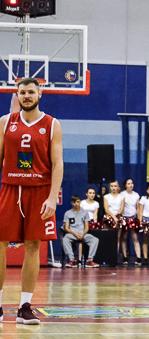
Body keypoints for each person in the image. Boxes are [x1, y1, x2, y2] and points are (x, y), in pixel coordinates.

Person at [0, 78, 63, 324]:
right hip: (10, 188)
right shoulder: (5, 122)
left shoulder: (52, 124)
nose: (26, 96)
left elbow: (57, 164)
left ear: (39, 94)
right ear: (17, 95)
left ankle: (24, 307)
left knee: (33, 246)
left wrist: (52, 197)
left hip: (39, 191)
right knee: (0, 243)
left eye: (30, 92)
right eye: (22, 92)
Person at [62, 195, 99, 268]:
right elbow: (66, 228)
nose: (77, 204)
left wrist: (83, 234)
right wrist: (75, 234)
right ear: (72, 203)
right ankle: (72, 260)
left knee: (95, 240)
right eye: (75, 202)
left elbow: (87, 227)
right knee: (65, 239)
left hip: (83, 234)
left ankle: (89, 260)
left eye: (78, 202)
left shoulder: (85, 213)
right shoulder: (68, 213)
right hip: (72, 234)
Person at [119, 178, 142, 265]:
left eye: (132, 183)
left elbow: (138, 208)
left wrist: (139, 219)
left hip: (133, 218)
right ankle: (125, 257)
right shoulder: (122, 194)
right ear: (125, 185)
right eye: (128, 183)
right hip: (125, 218)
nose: (130, 185)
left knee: (135, 238)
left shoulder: (136, 195)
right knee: (124, 237)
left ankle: (138, 257)